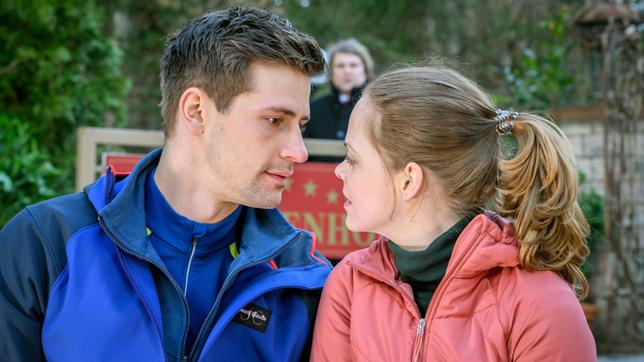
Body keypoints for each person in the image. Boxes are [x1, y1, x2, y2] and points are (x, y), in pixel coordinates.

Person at [0, 7, 331, 361]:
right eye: (274, 120)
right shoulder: (45, 242)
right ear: (196, 111)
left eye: (301, 126)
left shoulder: (306, 279)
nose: (298, 151)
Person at [311, 65, 597, 361]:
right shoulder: (348, 284)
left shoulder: (540, 303)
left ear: (409, 180)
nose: (339, 170)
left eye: (353, 159)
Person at [304, 38, 374, 141]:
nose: (347, 71)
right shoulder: (312, 110)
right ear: (331, 72)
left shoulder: (379, 108)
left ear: (365, 70)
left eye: (353, 65)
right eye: (340, 66)